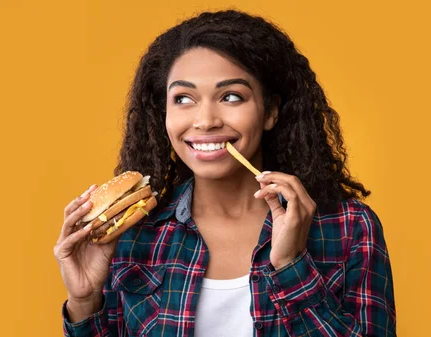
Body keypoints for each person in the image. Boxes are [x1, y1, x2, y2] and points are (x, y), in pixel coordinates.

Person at [53, 9, 396, 337]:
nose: (205, 121)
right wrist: (84, 303)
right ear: (163, 114)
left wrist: (292, 266)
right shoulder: (134, 234)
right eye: (184, 99)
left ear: (271, 111)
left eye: (231, 96)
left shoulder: (350, 227)